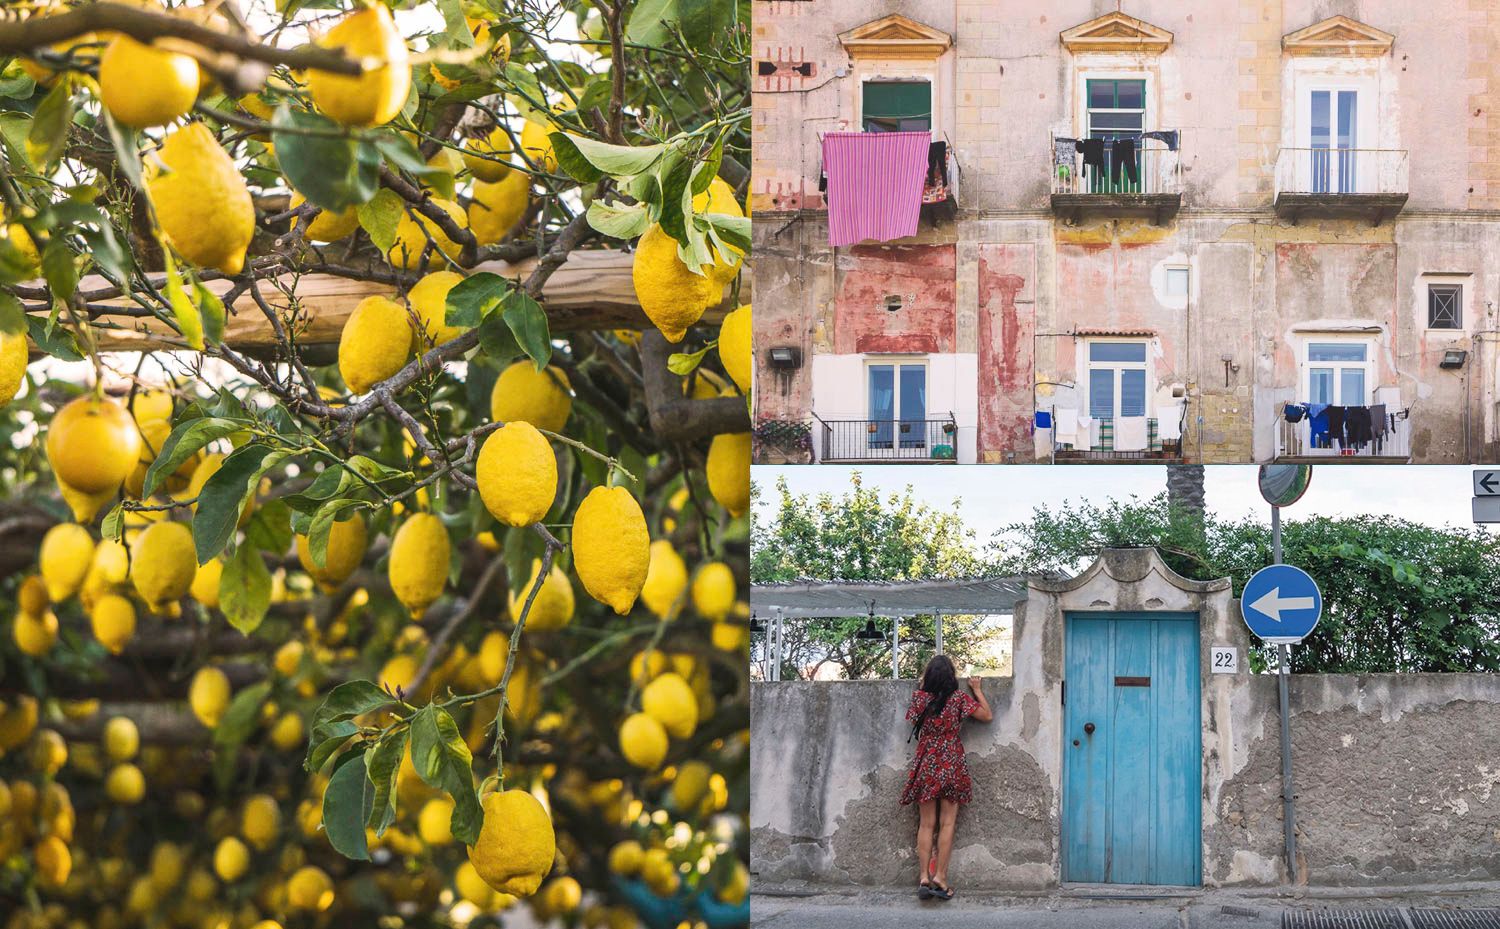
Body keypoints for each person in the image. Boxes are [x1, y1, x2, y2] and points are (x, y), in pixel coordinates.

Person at [901, 654, 992, 901]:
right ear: (952, 677)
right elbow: (986, 716)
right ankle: (940, 876)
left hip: (927, 760)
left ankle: (923, 877)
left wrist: (923, 684)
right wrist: (977, 689)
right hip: (951, 759)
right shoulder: (959, 699)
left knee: (926, 823)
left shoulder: (920, 698)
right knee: (947, 823)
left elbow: (912, 716)